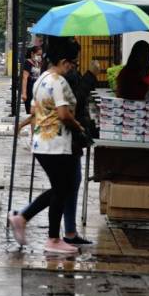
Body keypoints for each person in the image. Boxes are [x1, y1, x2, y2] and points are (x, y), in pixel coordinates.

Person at [8, 39, 84, 255]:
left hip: (42, 142)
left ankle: (27, 220)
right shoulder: (57, 81)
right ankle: (48, 236)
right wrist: (77, 125)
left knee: (60, 189)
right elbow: (63, 114)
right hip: (56, 144)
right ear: (63, 61)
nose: (73, 67)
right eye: (72, 63)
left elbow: (35, 110)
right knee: (62, 189)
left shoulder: (41, 79)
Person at [62, 59, 100, 245]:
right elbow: (74, 101)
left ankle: (70, 231)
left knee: (72, 183)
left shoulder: (64, 75)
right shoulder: (62, 78)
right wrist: (91, 75)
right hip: (67, 138)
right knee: (64, 187)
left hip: (71, 139)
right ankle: (24, 215)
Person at [21, 46, 43, 116]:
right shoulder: (28, 63)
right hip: (30, 89)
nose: (39, 57)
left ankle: (20, 126)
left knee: (36, 113)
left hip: (38, 89)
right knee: (33, 113)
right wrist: (24, 93)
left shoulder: (39, 64)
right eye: (38, 54)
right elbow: (25, 78)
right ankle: (20, 126)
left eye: (40, 55)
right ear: (32, 54)